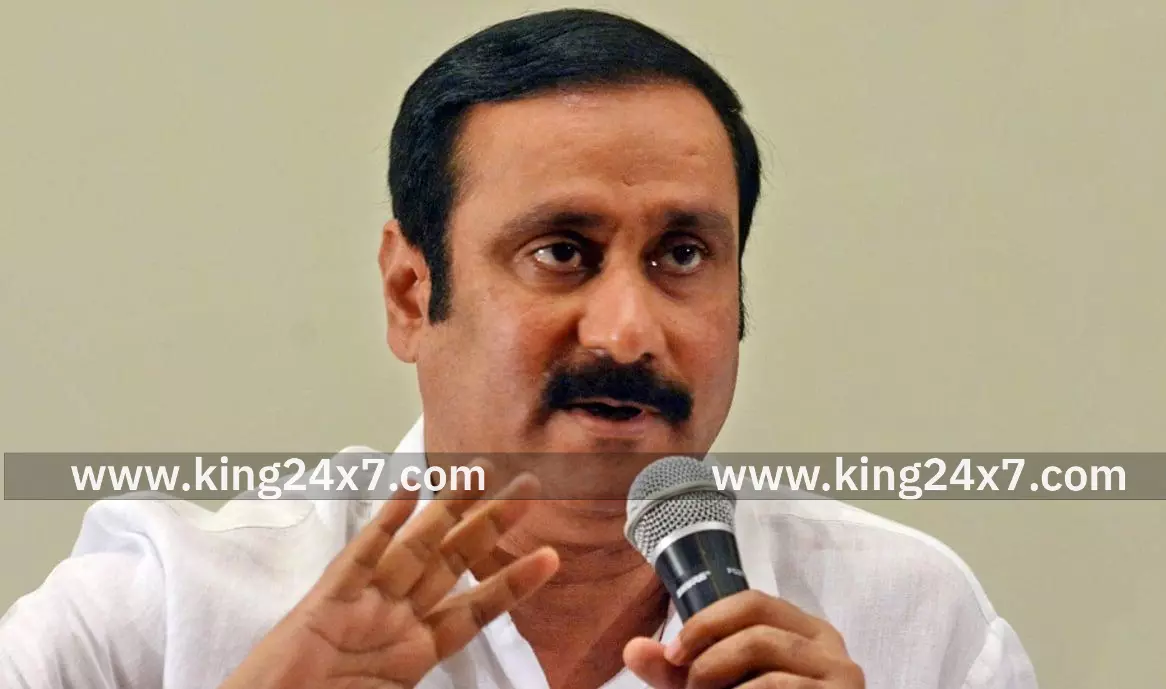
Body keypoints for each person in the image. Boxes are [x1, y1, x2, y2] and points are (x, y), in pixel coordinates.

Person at [0, 9, 1037, 689]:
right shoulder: (159, 614)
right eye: (561, 252)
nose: (628, 330)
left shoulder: (912, 620)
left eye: (682, 254)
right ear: (412, 294)